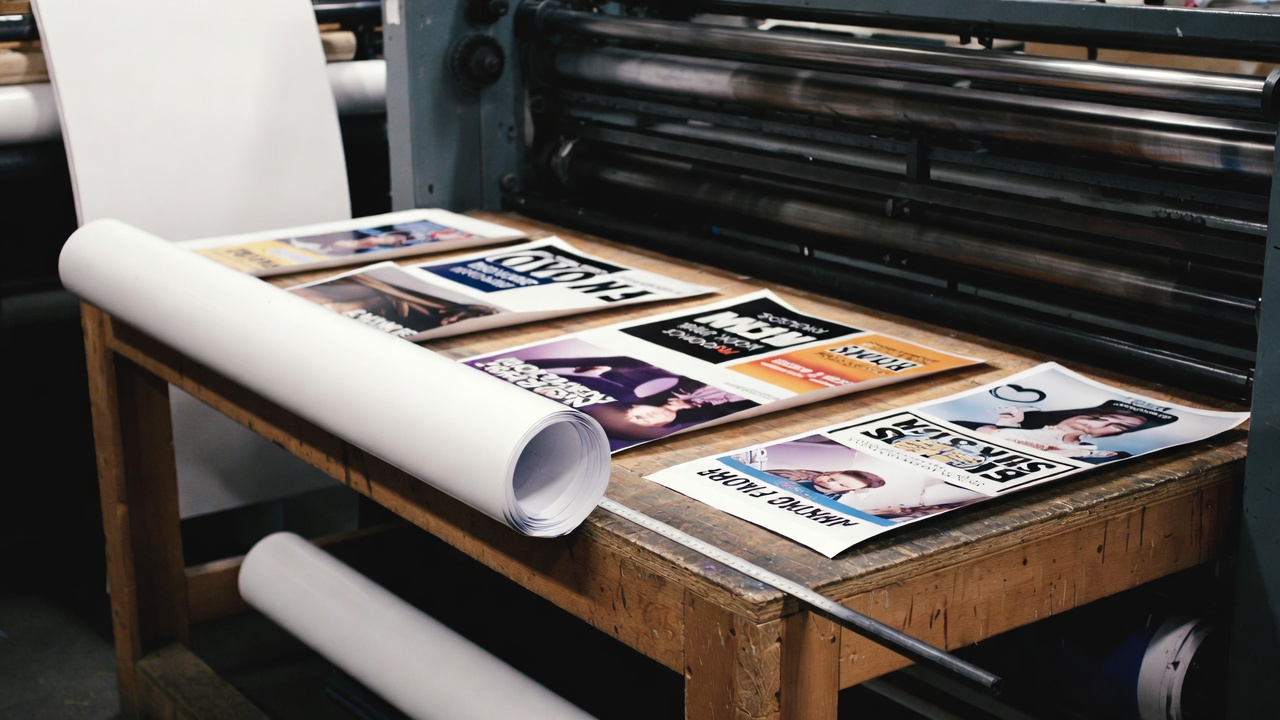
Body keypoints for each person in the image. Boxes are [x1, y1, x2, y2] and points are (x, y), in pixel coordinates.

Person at [951, 399, 1175, 463]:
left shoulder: (1088, 454)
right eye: (1097, 417)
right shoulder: (1011, 423)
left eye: (1116, 426)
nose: (1097, 424)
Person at [765, 468, 886, 499]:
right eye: (832, 479)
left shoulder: (839, 494)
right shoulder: (796, 477)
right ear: (828, 473)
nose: (832, 485)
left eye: (843, 486)